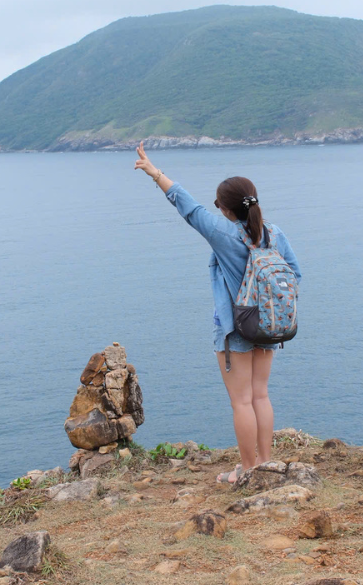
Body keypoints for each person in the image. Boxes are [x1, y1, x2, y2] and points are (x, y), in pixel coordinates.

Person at [133, 141, 302, 485]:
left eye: (218, 205)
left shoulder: (224, 233)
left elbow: (189, 208)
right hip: (269, 325)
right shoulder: (274, 233)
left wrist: (155, 173)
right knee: (261, 395)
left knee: (241, 402)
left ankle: (249, 471)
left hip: (235, 328)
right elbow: (295, 275)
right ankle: (266, 463)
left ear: (225, 209)